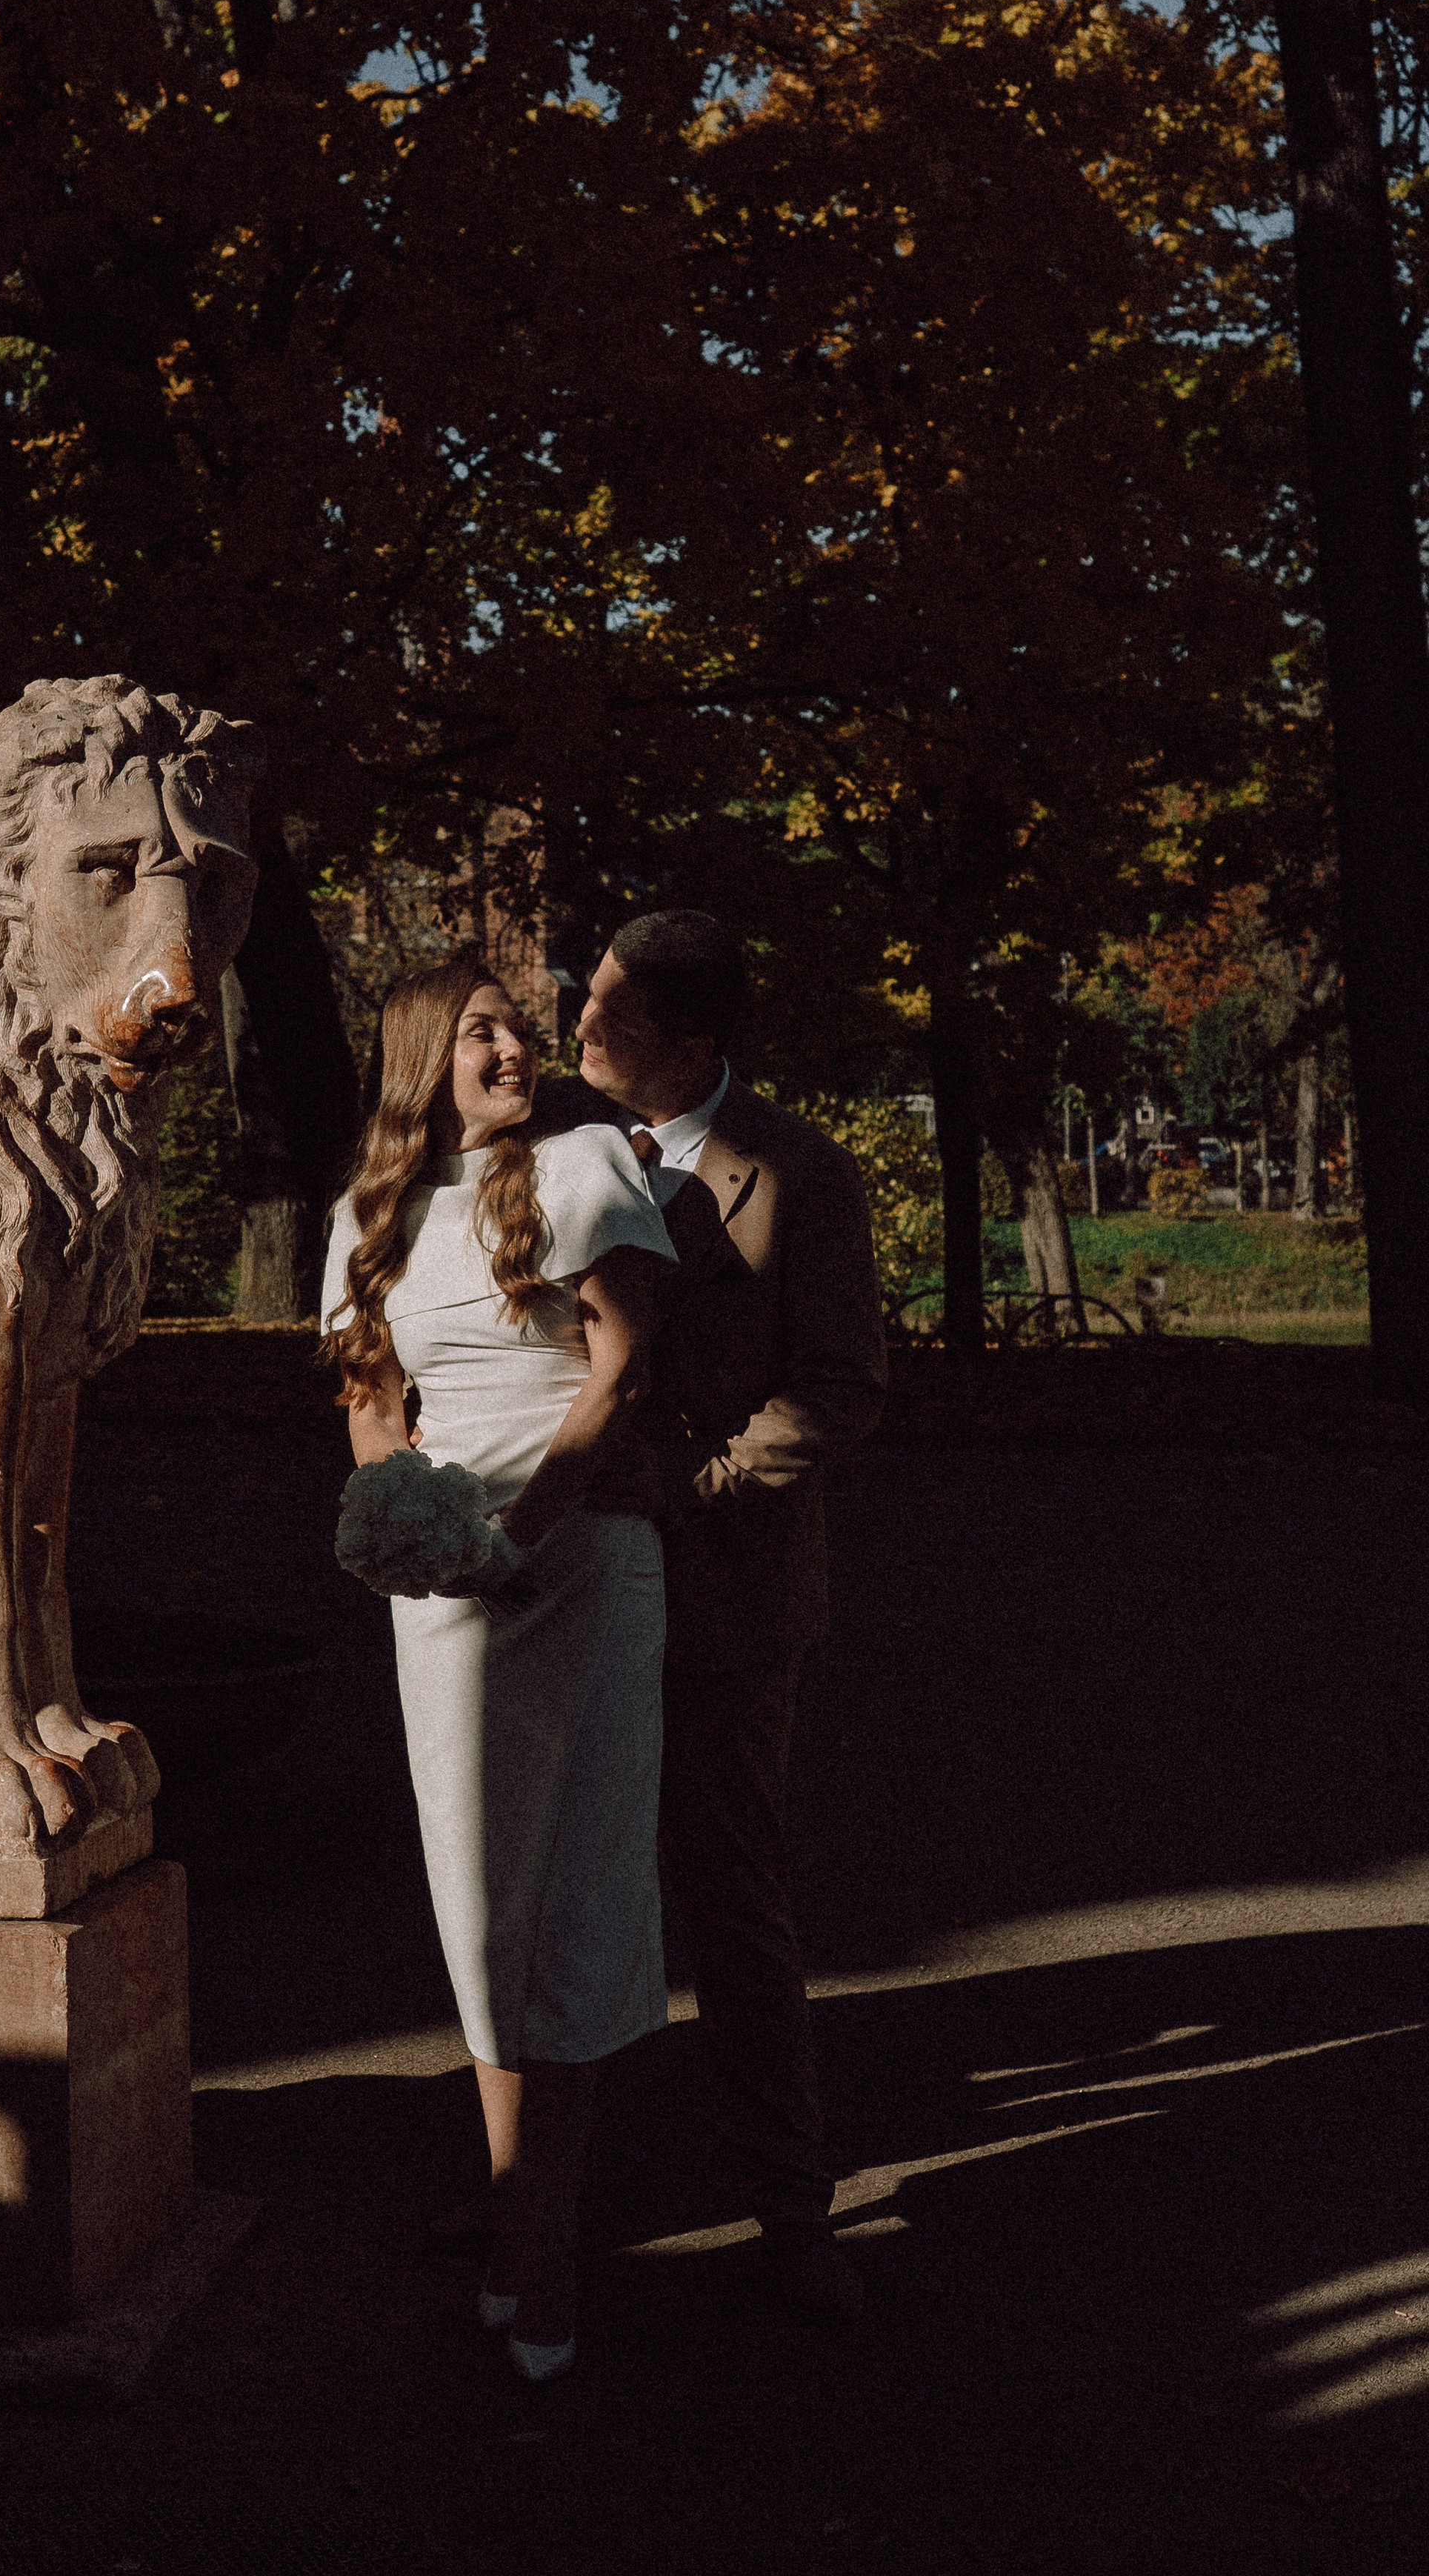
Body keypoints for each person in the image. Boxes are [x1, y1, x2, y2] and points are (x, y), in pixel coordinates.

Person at [321, 953, 678, 2380]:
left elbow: (624, 1367)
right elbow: (367, 1395)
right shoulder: (370, 1216)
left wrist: (524, 1529)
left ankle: (541, 2249)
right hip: (451, 1590)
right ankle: (516, 2209)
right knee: (478, 1909)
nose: (518, 1045)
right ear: (422, 1055)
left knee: (580, 1891)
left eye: (521, 1027)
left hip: (584, 1567)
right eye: (483, 1030)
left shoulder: (587, 1164)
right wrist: (412, 1523)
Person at [568, 908, 887, 2320]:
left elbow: (838, 1387)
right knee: (558, 1887)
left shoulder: (801, 1174)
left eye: (607, 1015)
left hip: (726, 1589)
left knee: (730, 1896)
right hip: (568, 1583)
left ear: (690, 1046)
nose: (577, 1030)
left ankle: (790, 2207)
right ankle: (541, 2204)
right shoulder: (550, 1155)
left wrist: (689, 1490)